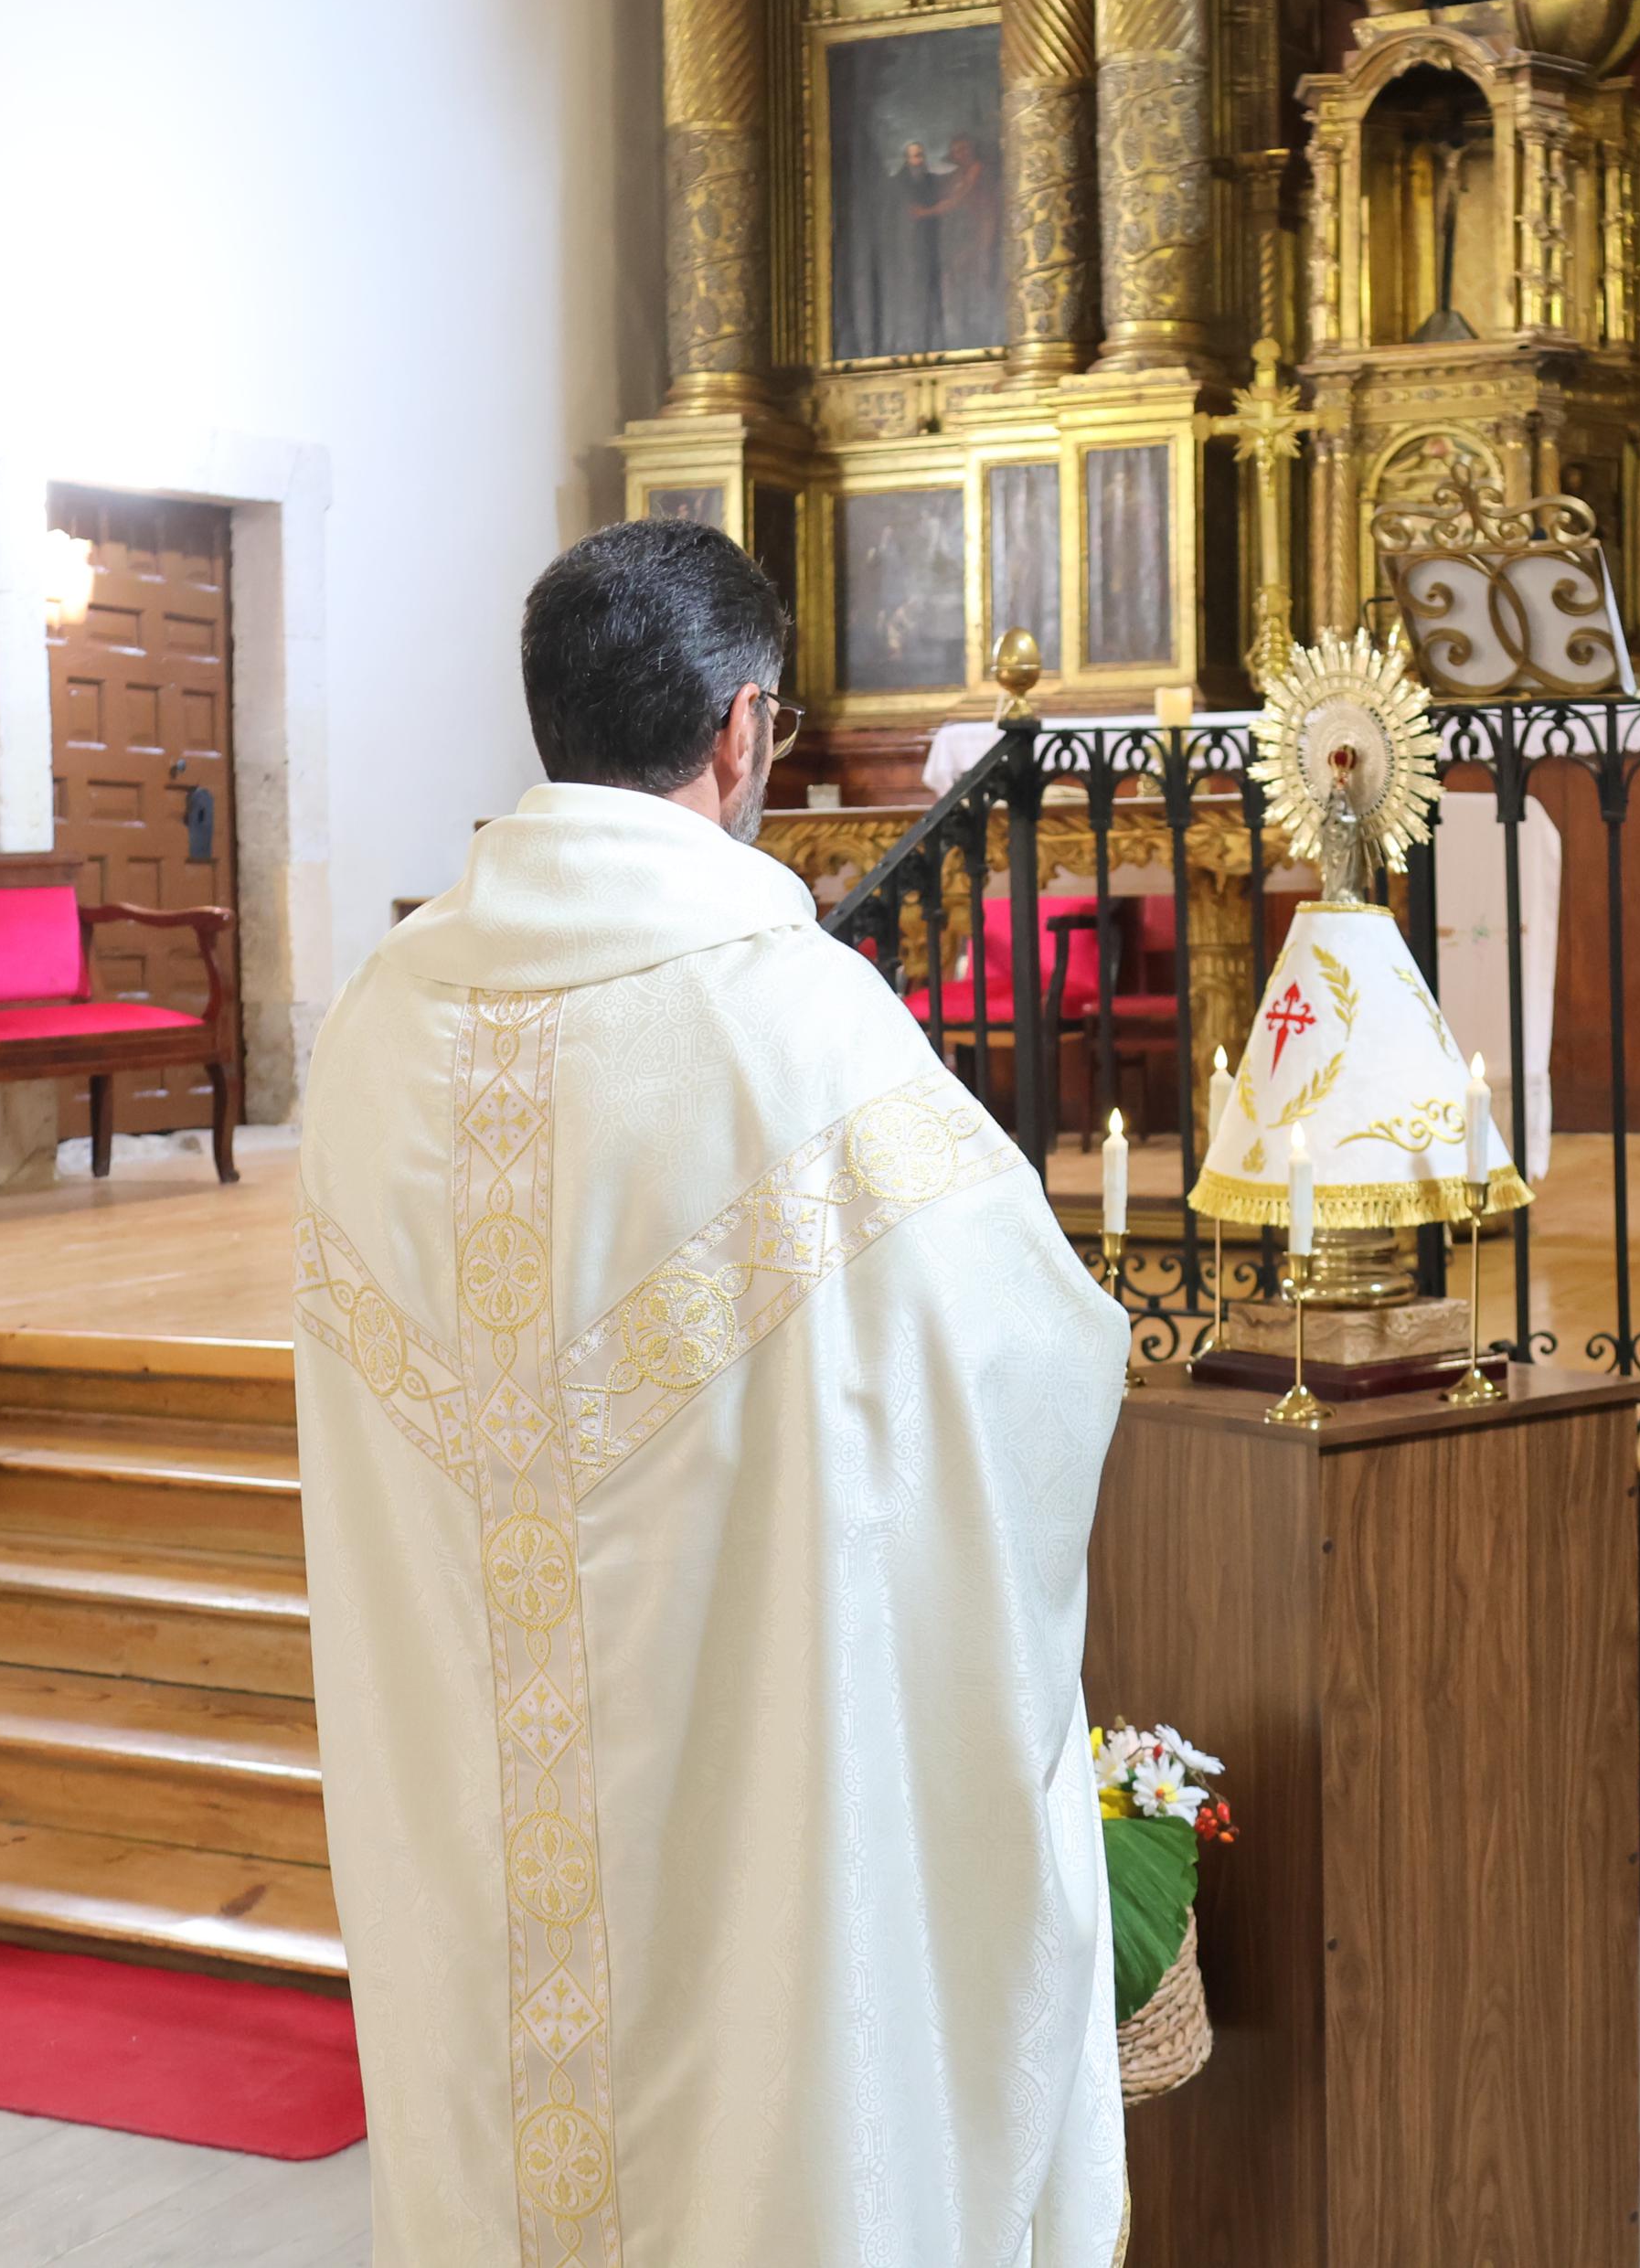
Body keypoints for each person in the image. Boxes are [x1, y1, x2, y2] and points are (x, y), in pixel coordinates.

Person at [293, 518, 1130, 2265]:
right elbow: (1031, 1359)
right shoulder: (798, 1027)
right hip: (739, 1747)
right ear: (745, 730)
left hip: (473, 1764)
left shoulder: (377, 1022)